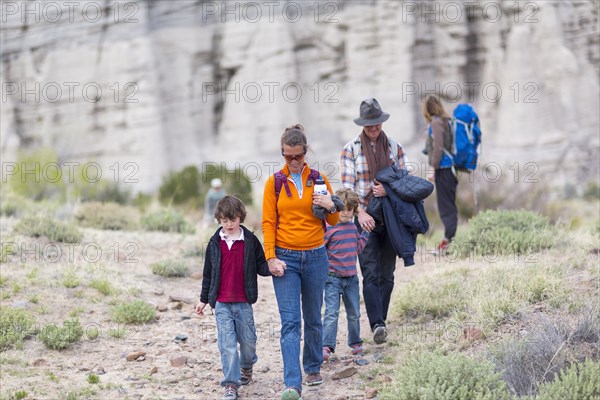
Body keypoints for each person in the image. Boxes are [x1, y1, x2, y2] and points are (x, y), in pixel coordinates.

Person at [262, 124, 339, 400]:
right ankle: (293, 384)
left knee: (313, 317)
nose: (293, 161)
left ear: (306, 152)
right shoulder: (274, 183)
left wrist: (330, 205)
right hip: (286, 259)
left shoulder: (319, 179)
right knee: (291, 322)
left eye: (298, 156)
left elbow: (332, 220)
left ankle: (313, 367)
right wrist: (270, 257)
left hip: (317, 256)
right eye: (287, 156)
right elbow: (268, 223)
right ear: (282, 154)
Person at [340, 98, 408, 344]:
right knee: (370, 273)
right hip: (364, 218)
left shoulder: (394, 147)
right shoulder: (351, 149)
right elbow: (347, 188)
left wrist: (389, 191)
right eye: (369, 125)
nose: (373, 128)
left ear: (381, 121)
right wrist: (360, 212)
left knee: (387, 274)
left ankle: (382, 319)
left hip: (391, 217)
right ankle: (377, 323)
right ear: (363, 125)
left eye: (376, 124)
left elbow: (406, 178)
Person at [195, 195, 272, 400]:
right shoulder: (214, 243)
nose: (229, 224)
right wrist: (203, 299)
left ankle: (247, 366)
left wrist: (275, 267)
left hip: (244, 301)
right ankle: (230, 383)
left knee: (248, 342)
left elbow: (262, 266)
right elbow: (208, 274)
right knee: (227, 345)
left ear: (241, 218)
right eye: (225, 220)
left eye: (234, 219)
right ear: (219, 220)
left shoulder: (250, 241)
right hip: (221, 303)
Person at [322, 188, 369, 363]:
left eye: (349, 210)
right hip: (332, 278)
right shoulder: (328, 228)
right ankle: (326, 346)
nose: (345, 213)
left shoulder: (352, 227)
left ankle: (355, 343)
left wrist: (366, 233)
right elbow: (322, 251)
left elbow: (357, 248)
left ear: (353, 211)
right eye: (342, 209)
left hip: (351, 279)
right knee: (331, 313)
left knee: (354, 312)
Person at [422, 95, 457, 254]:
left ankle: (447, 244)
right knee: (447, 207)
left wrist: (432, 169)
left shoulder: (436, 122)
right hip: (449, 170)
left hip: (444, 170)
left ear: (427, 110)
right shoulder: (445, 121)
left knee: (446, 208)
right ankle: (447, 243)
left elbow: (438, 148)